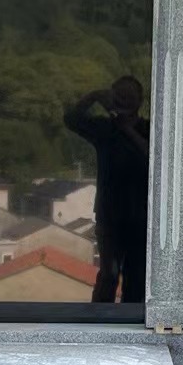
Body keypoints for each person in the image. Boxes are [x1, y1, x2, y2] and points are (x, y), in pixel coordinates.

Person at [65, 76, 150, 304]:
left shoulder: (148, 129)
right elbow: (71, 119)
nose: (124, 101)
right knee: (109, 275)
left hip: (141, 215)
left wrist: (128, 130)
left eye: (129, 96)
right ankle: (100, 319)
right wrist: (94, 96)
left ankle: (130, 319)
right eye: (119, 96)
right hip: (110, 213)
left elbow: (153, 158)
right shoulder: (105, 129)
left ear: (140, 100)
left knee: (136, 276)